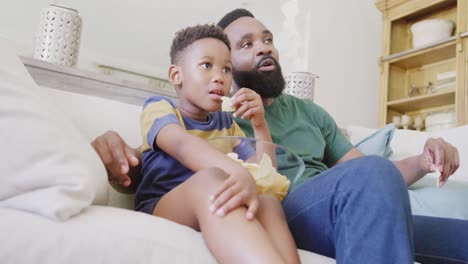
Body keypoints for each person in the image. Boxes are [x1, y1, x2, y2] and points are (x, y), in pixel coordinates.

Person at [92, 9, 468, 264]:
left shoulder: (311, 113)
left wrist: (422, 159)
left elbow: (370, 177)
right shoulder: (221, 112)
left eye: (267, 39)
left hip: (348, 204)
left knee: (446, 227)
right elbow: (175, 153)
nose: (264, 47)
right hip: (295, 206)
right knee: (368, 176)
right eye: (245, 45)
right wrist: (111, 150)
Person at [134, 24, 300, 264]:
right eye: (207, 65)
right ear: (176, 75)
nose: (219, 77)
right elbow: (181, 144)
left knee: (269, 203)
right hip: (163, 205)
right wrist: (236, 170)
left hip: (215, 201)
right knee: (210, 178)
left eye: (226, 69)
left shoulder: (226, 122)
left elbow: (265, 175)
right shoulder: (159, 108)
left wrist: (260, 125)